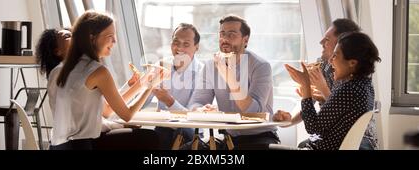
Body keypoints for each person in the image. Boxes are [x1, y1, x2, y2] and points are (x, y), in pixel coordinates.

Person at [47, 11, 167, 150]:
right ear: (92, 38)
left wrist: (140, 84)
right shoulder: (97, 71)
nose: (115, 41)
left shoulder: (57, 70)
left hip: (58, 146)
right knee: (149, 138)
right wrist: (150, 86)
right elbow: (127, 115)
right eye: (110, 36)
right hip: (83, 146)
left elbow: (108, 110)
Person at [273, 18, 379, 150]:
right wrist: (288, 121)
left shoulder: (349, 88)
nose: (321, 42)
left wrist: (312, 88)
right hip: (334, 139)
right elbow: (319, 109)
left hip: (358, 141)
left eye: (327, 39)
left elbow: (314, 126)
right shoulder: (364, 83)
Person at [189, 14, 278, 150]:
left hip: (259, 136)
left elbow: (254, 112)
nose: (224, 39)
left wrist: (229, 78)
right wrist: (202, 110)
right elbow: (196, 102)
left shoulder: (261, 66)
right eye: (222, 34)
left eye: (231, 35)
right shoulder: (210, 66)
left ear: (245, 40)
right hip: (228, 137)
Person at [141, 23, 204, 149]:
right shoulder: (162, 65)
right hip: (163, 128)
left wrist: (168, 101)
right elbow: (142, 102)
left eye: (186, 44)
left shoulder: (202, 73)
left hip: (190, 131)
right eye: (176, 42)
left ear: (196, 47)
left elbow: (194, 117)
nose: (179, 47)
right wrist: (140, 87)